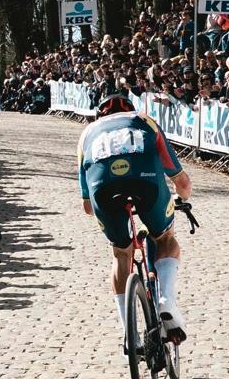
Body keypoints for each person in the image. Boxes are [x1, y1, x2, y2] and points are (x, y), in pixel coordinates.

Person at [74, 93, 190, 346]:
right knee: (165, 238)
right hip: (146, 183)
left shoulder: (87, 133)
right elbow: (181, 181)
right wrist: (182, 200)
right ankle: (165, 300)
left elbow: (87, 207)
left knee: (121, 254)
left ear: (99, 115)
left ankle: (129, 331)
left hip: (103, 191)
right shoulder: (143, 120)